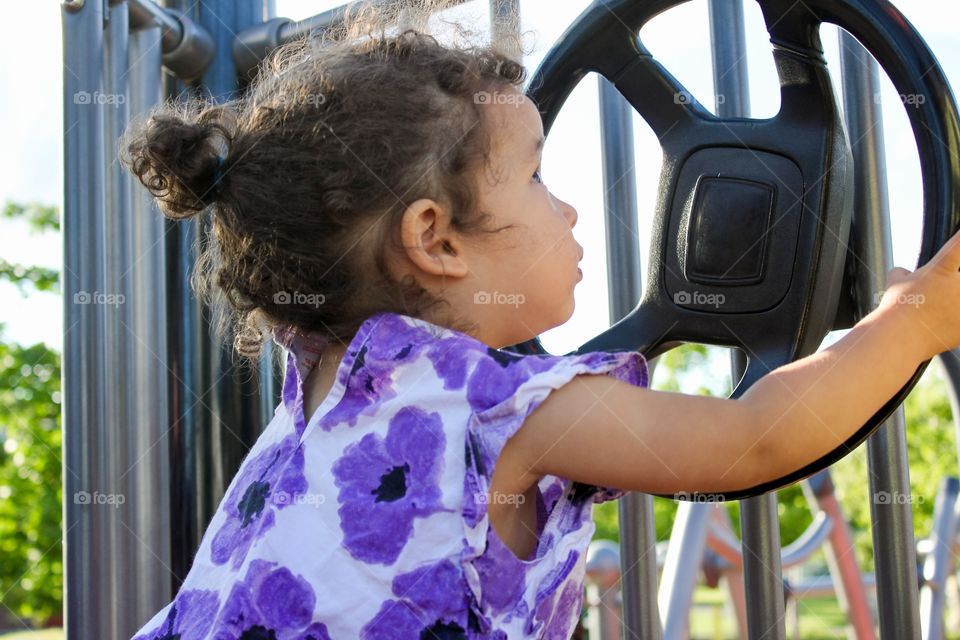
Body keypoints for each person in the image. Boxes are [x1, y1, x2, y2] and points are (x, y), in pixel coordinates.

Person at [121, 1, 960, 638]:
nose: (570, 213)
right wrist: (914, 321)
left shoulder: (315, 372)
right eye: (535, 180)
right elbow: (756, 441)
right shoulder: (493, 403)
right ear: (434, 240)